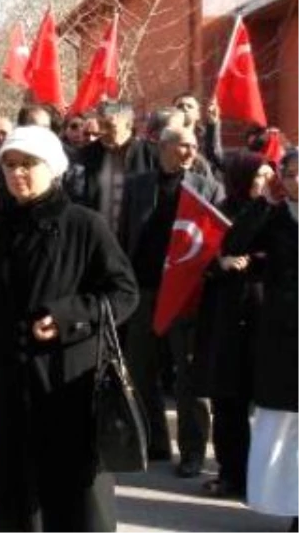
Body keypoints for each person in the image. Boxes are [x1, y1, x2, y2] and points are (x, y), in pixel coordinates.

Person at [0, 125, 138, 532]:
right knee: (9, 497)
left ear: (52, 168)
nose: (17, 174)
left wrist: (69, 316)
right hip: (4, 389)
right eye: (10, 165)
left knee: (72, 500)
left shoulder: (84, 226)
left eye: (28, 165)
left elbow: (124, 293)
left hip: (68, 385)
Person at [118, 126, 224, 475]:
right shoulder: (137, 186)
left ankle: (192, 452)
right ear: (163, 147)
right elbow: (123, 235)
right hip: (144, 290)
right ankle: (155, 441)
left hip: (184, 294)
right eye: (183, 145)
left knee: (188, 377)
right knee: (140, 369)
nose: (190, 151)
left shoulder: (208, 188)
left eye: (194, 146)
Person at [222, 149, 299, 532]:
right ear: (281, 178)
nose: (298, 181)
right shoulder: (275, 217)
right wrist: (263, 205)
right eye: (293, 174)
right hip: (283, 340)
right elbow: (234, 244)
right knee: (286, 427)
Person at [194, 150, 274, 499]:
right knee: (229, 404)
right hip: (225, 319)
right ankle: (232, 474)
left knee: (270, 410)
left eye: (268, 176)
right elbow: (198, 258)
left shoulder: (276, 215)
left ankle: (266, 481)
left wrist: (257, 259)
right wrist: (220, 263)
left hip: (265, 322)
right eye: (256, 177)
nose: (263, 184)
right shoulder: (218, 214)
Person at [67, 101, 157, 230]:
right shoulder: (85, 156)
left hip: (139, 236)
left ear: (129, 124)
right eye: (102, 125)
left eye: (110, 126)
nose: (104, 132)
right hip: (97, 233)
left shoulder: (150, 155)